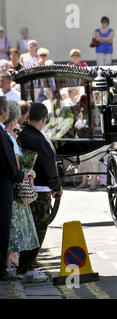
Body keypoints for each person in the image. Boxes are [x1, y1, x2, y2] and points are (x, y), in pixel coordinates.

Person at [16, 102, 63, 279]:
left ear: (28, 116)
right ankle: (27, 268)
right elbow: (50, 168)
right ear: (44, 119)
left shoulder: (21, 134)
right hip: (39, 192)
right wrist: (57, 187)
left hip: (21, 189)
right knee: (38, 230)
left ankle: (23, 266)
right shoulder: (40, 140)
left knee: (26, 229)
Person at [4, 101, 40, 278]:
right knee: (13, 234)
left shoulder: (10, 135)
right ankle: (10, 268)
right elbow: (16, 166)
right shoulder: (9, 138)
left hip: (11, 189)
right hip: (14, 192)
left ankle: (10, 266)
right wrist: (29, 172)